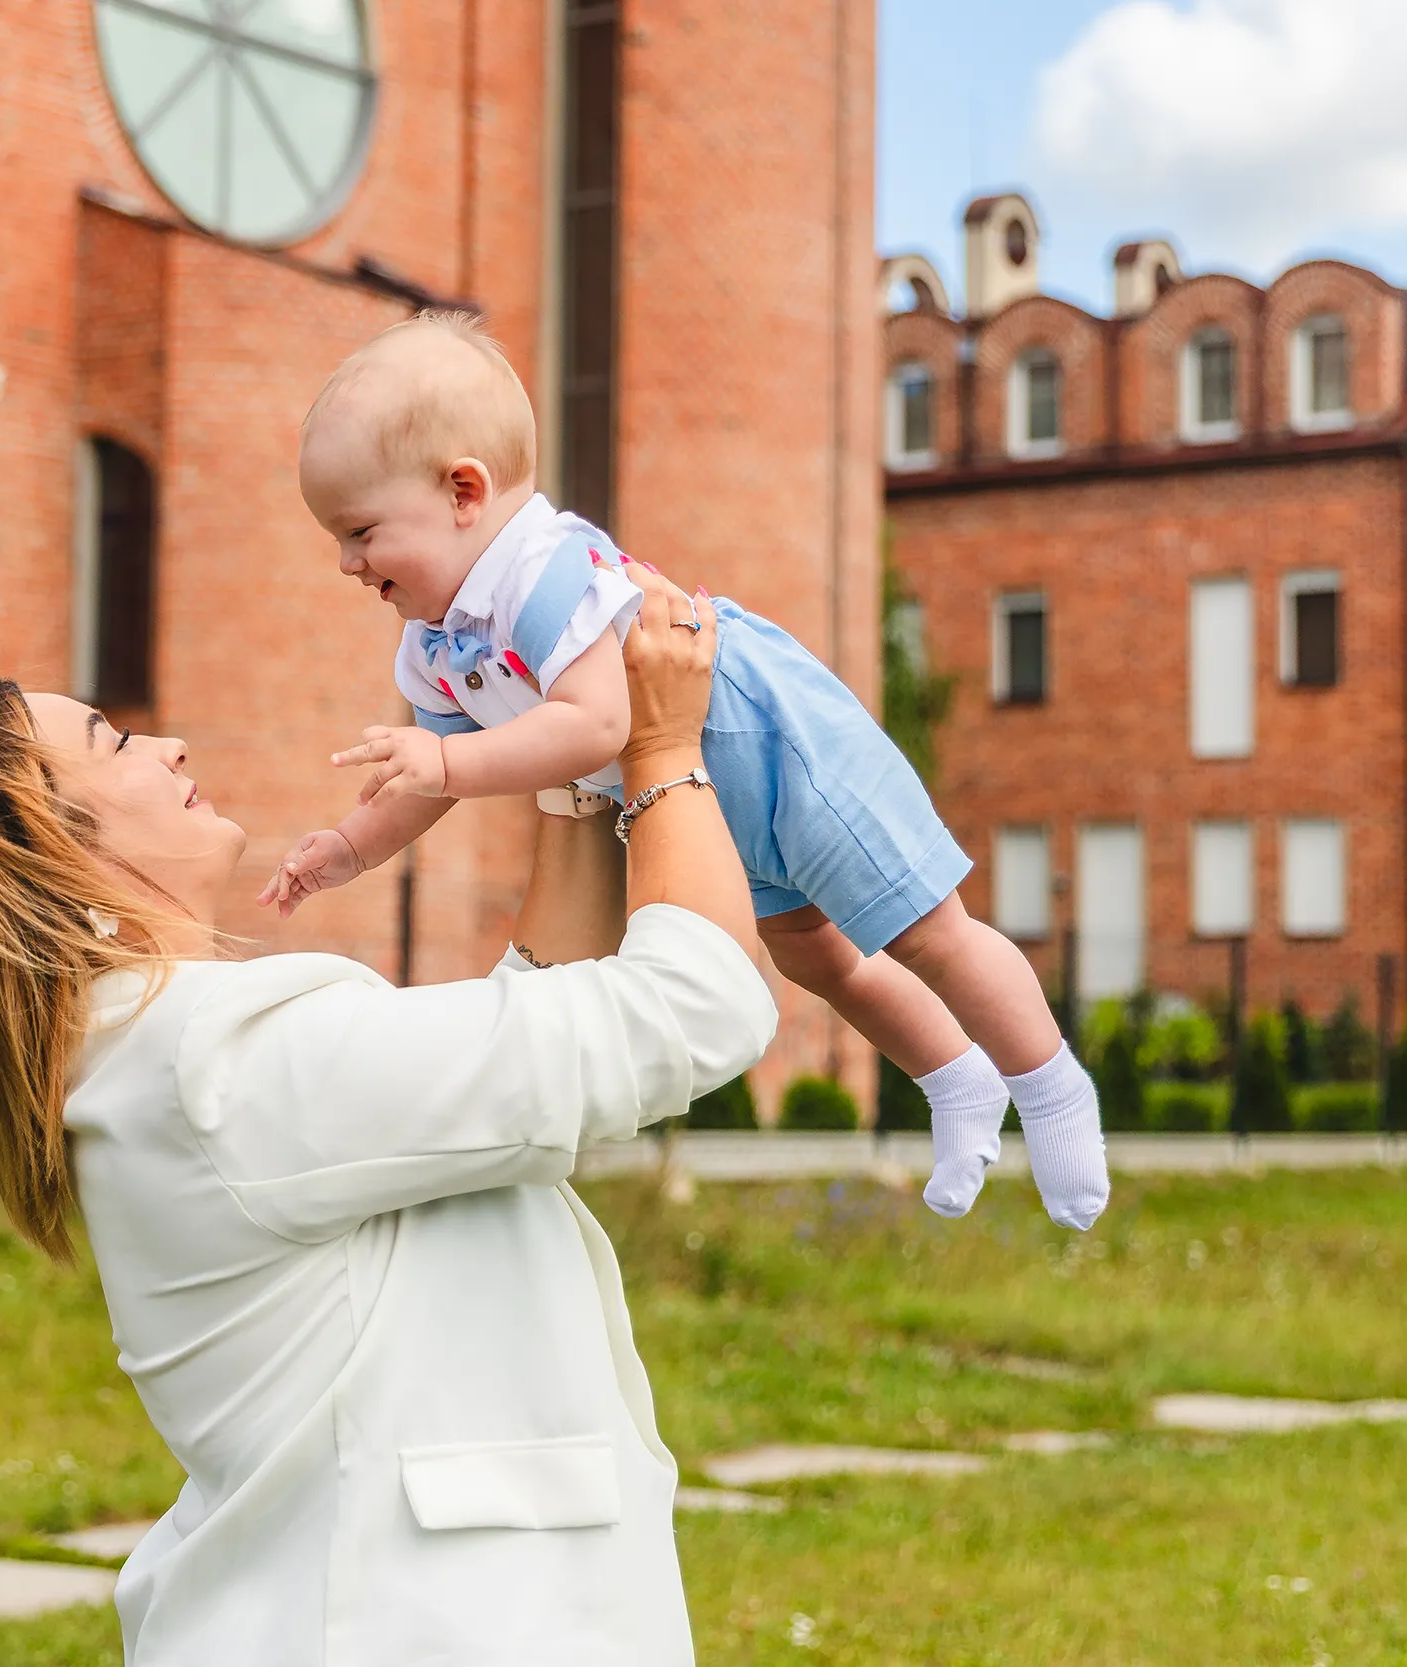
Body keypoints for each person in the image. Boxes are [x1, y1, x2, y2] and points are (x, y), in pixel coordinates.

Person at [0, 573, 774, 1665]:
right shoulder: (216, 1057)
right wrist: (662, 751)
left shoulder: (155, 1059)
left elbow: (510, 1063)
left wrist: (571, 783)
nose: (169, 746)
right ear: (49, 845)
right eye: (117, 741)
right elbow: (692, 1010)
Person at [258, 310, 1107, 1230]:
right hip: (698, 790)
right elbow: (426, 778)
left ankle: (1055, 1090)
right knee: (818, 959)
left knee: (927, 931)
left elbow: (596, 723)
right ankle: (954, 1077)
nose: (346, 563)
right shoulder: (436, 640)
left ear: (465, 489)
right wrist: (352, 843)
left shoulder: (545, 574)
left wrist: (451, 757)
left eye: (361, 532)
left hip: (774, 739)